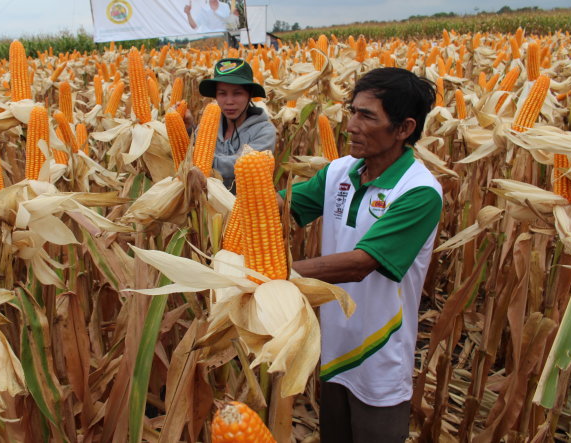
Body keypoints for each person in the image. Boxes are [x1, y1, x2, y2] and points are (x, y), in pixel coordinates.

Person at [278, 67, 442, 442]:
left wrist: (277, 275)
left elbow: (361, 264)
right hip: (334, 347)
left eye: (367, 116)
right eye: (352, 111)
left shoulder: (418, 192)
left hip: (380, 356)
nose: (351, 125)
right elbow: (281, 208)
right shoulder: (339, 172)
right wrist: (216, 192)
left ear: (403, 128)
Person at [189, 58, 276, 191]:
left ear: (249, 95)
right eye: (222, 93)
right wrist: (188, 128)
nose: (229, 101)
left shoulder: (264, 131)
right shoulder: (206, 126)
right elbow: (191, 149)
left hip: (241, 202)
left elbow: (241, 165)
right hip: (205, 201)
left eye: (237, 93)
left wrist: (202, 162)